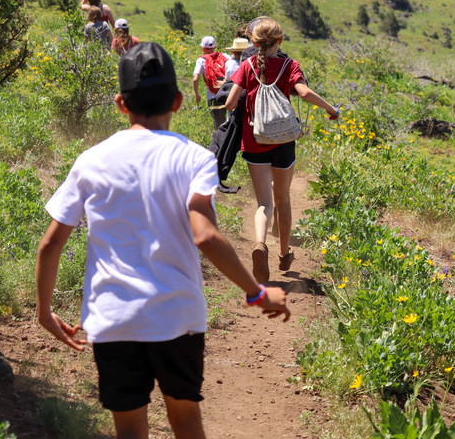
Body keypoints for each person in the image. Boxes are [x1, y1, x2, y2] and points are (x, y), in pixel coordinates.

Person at [35, 42, 289, 439]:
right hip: (178, 317)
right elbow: (204, 235)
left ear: (121, 103)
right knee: (186, 420)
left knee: (130, 430)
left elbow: (50, 244)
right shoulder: (194, 159)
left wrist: (44, 311)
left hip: (113, 320)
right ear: (178, 100)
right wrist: (257, 293)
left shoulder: (92, 160)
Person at [225, 18, 339, 284]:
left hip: (254, 142)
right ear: (280, 41)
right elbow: (305, 92)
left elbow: (230, 104)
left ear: (253, 44)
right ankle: (284, 254)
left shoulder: (246, 65)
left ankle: (260, 244)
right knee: (283, 198)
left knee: (264, 203)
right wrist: (331, 109)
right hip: (284, 142)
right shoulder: (290, 65)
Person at [193, 36, 229, 130]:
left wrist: (197, 94)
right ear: (215, 46)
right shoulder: (225, 56)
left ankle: (220, 143)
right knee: (230, 121)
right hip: (228, 94)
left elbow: (195, 78)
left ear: (203, 48)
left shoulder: (201, 60)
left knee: (219, 124)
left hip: (213, 96)